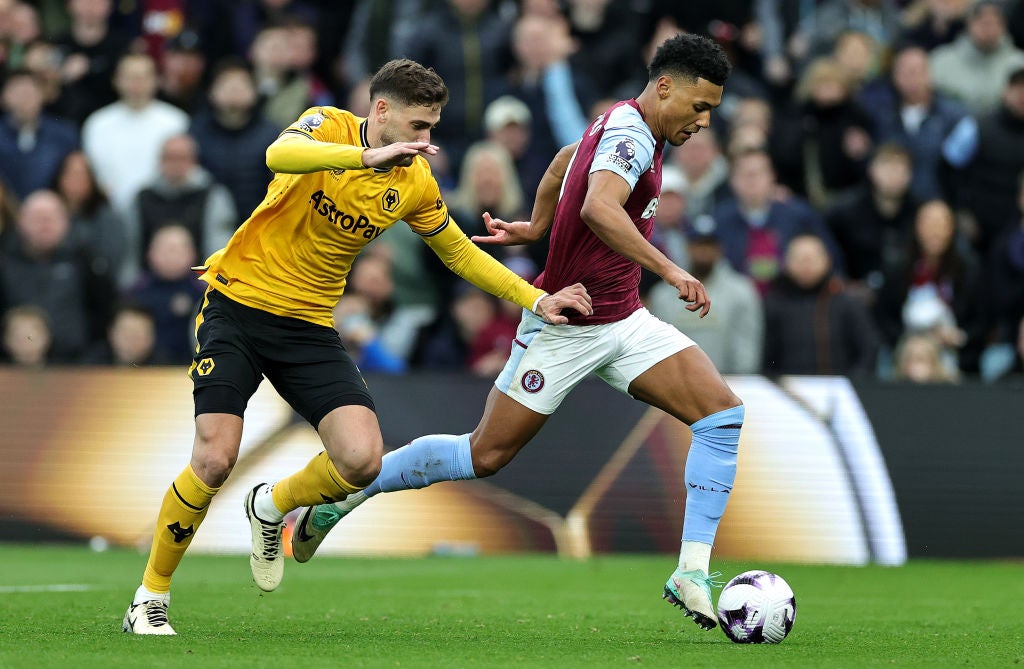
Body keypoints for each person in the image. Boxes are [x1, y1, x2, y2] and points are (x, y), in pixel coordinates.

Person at [283, 34, 744, 633]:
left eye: (711, 110)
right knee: (484, 454)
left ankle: (691, 570)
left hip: (623, 319)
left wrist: (535, 227)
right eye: (699, 105)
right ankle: (345, 499)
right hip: (565, 323)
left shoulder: (622, 125)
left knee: (721, 416)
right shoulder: (632, 134)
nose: (705, 120)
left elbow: (564, 159)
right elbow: (601, 208)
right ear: (665, 86)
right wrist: (671, 267)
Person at [121, 58, 591, 636]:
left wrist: (533, 298)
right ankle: (151, 594)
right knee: (215, 457)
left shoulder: (414, 181)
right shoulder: (325, 125)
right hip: (238, 306)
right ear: (382, 110)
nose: (427, 140)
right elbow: (277, 155)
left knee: (361, 459)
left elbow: (459, 254)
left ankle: (271, 505)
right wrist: (365, 157)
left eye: (434, 127)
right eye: (419, 125)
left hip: (309, 327)